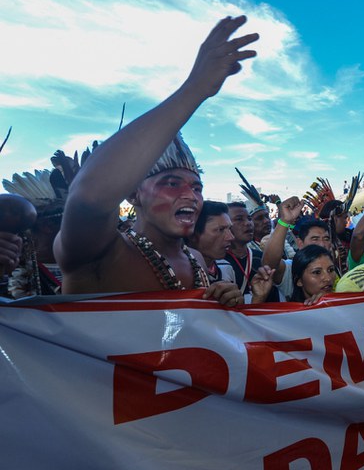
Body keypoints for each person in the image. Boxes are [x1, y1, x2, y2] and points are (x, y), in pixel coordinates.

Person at [54, 16, 258, 307]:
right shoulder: (99, 253)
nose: (191, 195)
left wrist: (226, 305)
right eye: (172, 183)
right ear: (133, 192)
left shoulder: (198, 259)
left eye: (197, 187)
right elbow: (88, 197)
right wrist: (195, 88)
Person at [186, 201, 236, 284]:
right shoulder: (177, 271)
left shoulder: (226, 267)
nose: (231, 237)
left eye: (230, 229)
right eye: (221, 230)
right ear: (193, 234)